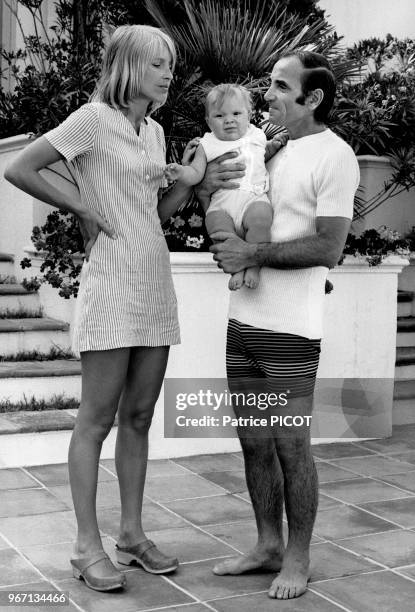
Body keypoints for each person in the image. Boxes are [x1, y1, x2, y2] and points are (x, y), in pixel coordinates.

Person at [4, 25, 193, 592]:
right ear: (130, 64)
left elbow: (154, 211)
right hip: (111, 282)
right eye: (159, 64)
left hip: (154, 282)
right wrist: (81, 207)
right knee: (97, 419)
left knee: (139, 417)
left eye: (170, 65)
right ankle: (86, 546)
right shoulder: (92, 118)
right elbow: (19, 168)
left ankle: (131, 536)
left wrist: (192, 183)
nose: (167, 74)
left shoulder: (155, 131)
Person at [197, 51, 360, 600]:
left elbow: (330, 247)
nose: (267, 95)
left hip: (292, 329)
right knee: (252, 442)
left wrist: (253, 254)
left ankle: (298, 554)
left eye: (281, 87)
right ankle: (267, 544)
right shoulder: (269, 146)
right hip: (243, 320)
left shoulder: (335, 157)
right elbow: (227, 196)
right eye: (269, 85)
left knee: (292, 445)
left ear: (313, 98)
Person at [165, 83, 286, 290]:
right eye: (219, 116)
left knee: (261, 222)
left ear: (249, 115)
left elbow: (260, 156)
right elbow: (195, 173)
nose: (229, 120)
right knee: (218, 230)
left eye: (236, 113)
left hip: (253, 198)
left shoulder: (256, 135)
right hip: (221, 205)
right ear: (208, 121)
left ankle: (254, 266)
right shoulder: (207, 144)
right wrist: (180, 171)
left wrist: (273, 146)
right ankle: (237, 269)